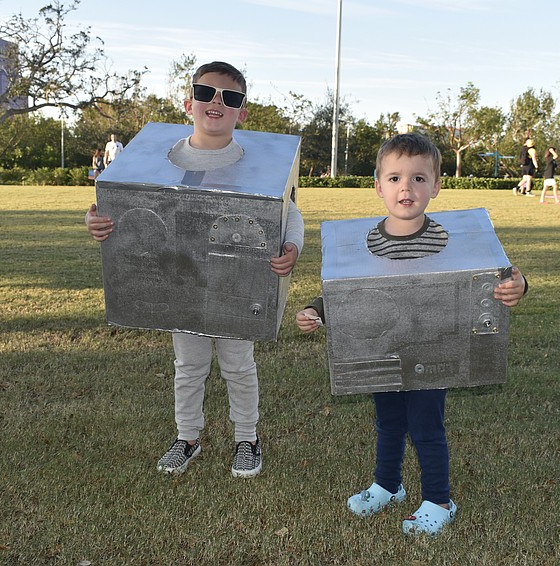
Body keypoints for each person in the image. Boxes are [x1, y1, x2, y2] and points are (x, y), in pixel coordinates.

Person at [296, 132, 527, 536]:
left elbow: (494, 275)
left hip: (432, 349)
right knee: (387, 420)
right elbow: (346, 289)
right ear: (378, 186)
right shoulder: (367, 243)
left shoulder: (447, 239)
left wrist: (518, 286)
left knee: (426, 426)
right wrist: (316, 310)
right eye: (395, 178)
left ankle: (439, 499)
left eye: (419, 179)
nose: (407, 187)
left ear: (436, 186)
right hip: (384, 346)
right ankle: (388, 485)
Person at [85, 61, 304, 479]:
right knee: (188, 366)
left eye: (230, 98)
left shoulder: (251, 161)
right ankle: (187, 436)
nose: (216, 103)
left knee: (238, 364)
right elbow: (112, 204)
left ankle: (247, 438)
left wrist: (292, 245)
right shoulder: (162, 157)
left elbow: (289, 212)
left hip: (233, 281)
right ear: (189, 103)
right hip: (179, 281)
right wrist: (92, 221)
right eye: (206, 94)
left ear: (242, 112)